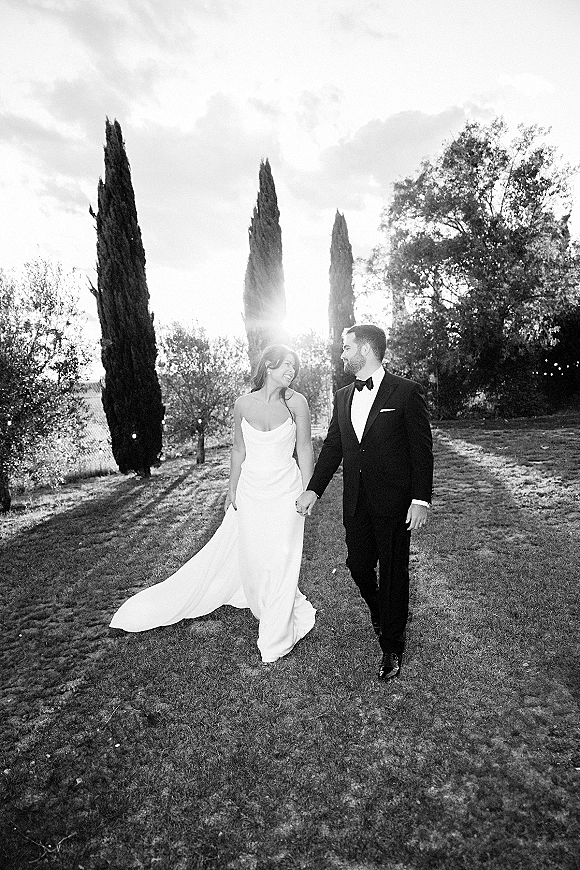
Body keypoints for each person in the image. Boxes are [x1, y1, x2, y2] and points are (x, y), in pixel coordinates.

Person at [110, 345, 316, 664]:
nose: (291, 371)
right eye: (286, 364)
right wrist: (231, 488)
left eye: (295, 367)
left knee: (282, 557)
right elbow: (238, 450)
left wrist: (308, 490)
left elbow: (304, 448)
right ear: (269, 366)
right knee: (256, 556)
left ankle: (276, 638)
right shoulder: (243, 404)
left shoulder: (296, 403)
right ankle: (265, 602)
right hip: (250, 491)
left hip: (285, 492)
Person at [296, 324, 433, 681]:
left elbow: (422, 451)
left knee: (392, 573)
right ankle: (381, 612)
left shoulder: (406, 392)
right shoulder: (343, 396)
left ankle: (392, 645)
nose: (342, 354)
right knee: (358, 566)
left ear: (366, 350)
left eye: (346, 348)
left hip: (395, 502)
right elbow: (333, 448)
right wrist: (314, 488)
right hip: (355, 501)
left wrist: (420, 499)